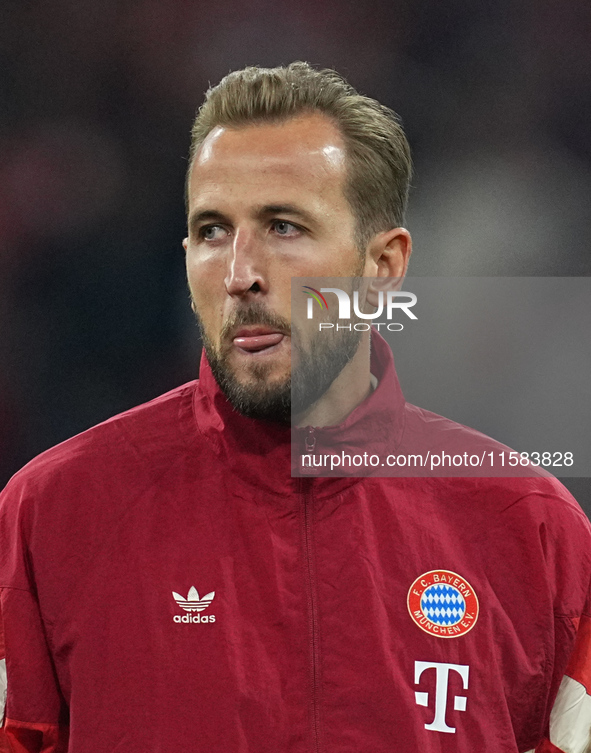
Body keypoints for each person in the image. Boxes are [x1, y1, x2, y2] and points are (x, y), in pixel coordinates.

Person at [1, 62, 590, 753]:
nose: (240, 272)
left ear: (383, 266)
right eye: (213, 230)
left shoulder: (533, 533)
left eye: (283, 226)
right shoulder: (52, 515)